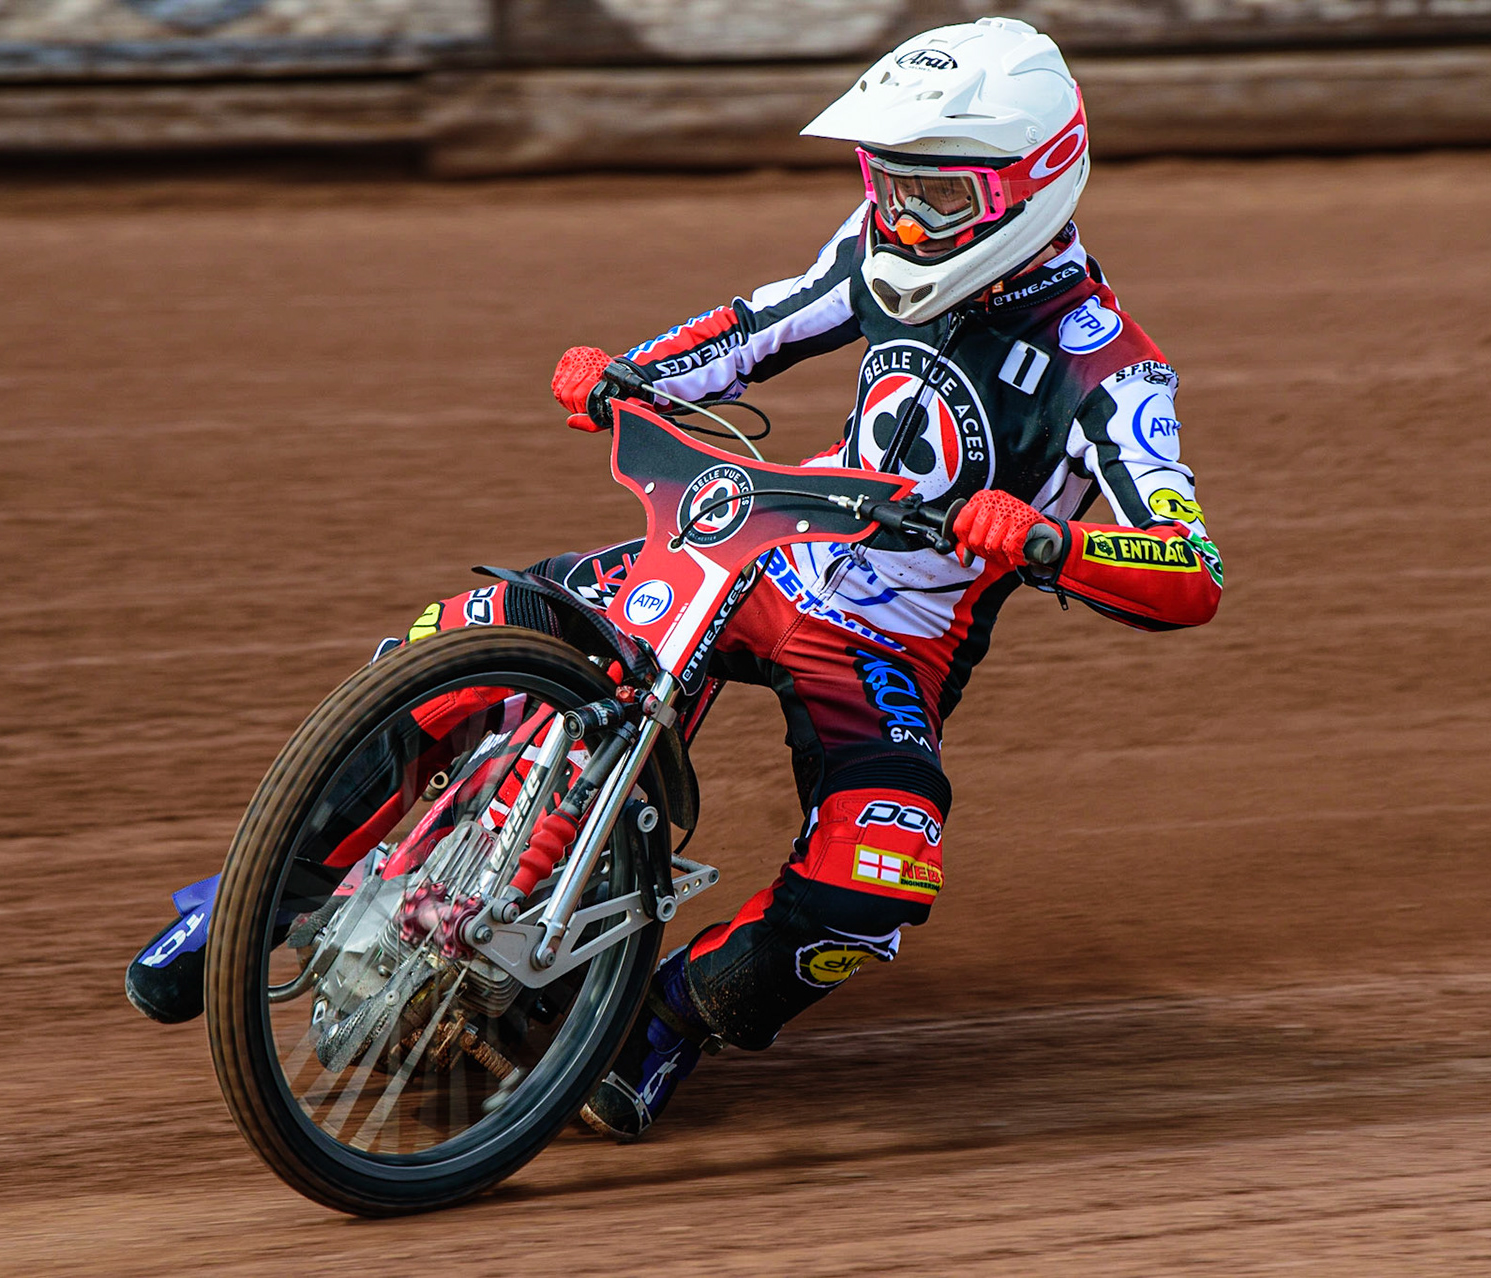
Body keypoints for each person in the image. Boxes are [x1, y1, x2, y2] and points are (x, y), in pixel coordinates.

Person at [126, 16, 1222, 1143]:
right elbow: (757, 327)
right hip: (764, 543)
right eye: (889, 185)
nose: (903, 219)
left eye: (937, 197)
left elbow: (1190, 567)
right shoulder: (877, 247)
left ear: (1033, 184)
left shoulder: (1112, 368)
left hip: (888, 642)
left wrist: (1047, 544)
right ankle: (262, 892)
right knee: (475, 629)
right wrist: (630, 371)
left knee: (882, 868)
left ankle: (666, 1021)